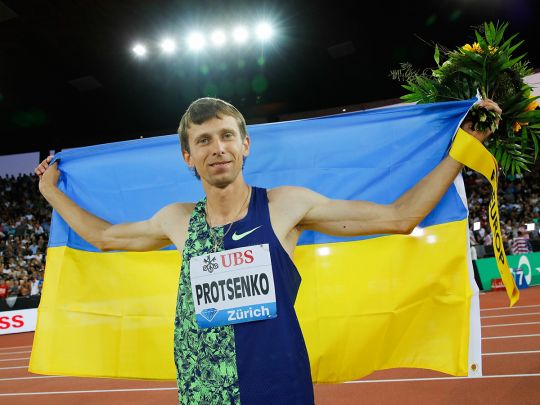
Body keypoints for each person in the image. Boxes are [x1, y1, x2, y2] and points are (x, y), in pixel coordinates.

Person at [35, 97, 502, 405]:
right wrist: (51, 191)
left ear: (245, 144)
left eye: (226, 136)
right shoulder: (176, 219)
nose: (217, 148)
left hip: (278, 386)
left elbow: (400, 216)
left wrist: (463, 150)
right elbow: (104, 237)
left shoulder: (285, 206)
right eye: (203, 140)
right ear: (188, 157)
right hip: (204, 390)